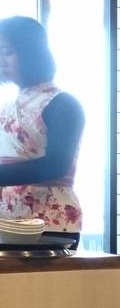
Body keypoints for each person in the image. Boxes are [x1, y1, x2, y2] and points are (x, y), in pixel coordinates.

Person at [0, 16, 86, 246]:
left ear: (31, 53)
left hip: (50, 221)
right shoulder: (5, 107)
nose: (1, 60)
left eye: (7, 52)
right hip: (6, 219)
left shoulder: (63, 103)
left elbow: (56, 164)